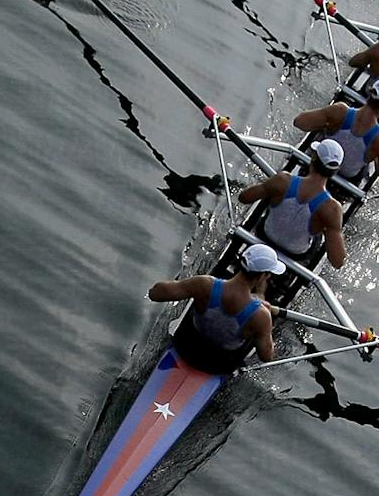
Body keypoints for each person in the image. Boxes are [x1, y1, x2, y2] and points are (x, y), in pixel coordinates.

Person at [149, 244, 283, 373]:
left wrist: (189, 286)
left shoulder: (204, 284)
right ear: (262, 276)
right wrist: (264, 313)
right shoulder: (261, 316)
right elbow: (266, 356)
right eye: (269, 274)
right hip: (217, 367)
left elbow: (155, 294)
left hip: (184, 347)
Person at [240, 138, 347, 267]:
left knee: (270, 195)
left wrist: (269, 188)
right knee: (320, 235)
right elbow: (337, 261)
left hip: (265, 235)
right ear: (335, 171)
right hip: (295, 254)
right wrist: (328, 226)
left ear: (313, 159)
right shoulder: (332, 209)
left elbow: (244, 198)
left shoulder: (282, 181)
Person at [293, 77, 379, 183]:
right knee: (366, 168)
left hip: (317, 167)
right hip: (344, 183)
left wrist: (325, 125)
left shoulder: (339, 111)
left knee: (320, 136)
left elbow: (299, 122)